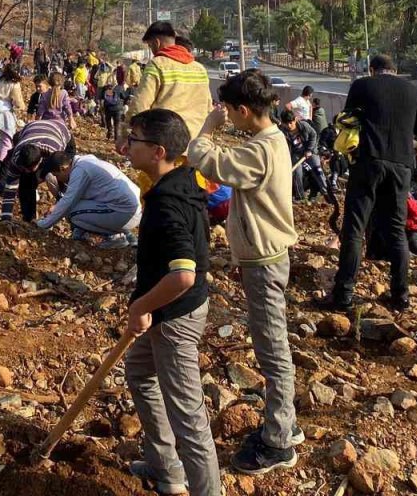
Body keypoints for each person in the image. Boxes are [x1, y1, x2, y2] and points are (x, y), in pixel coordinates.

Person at [187, 72, 299, 475]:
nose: (228, 118)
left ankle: (278, 442)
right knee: (272, 343)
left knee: (272, 349)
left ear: (243, 110)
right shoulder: (270, 140)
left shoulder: (259, 151)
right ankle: (285, 422)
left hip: (264, 260)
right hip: (267, 255)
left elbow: (208, 160)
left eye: (231, 112)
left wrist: (207, 130)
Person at [122, 110, 221, 496]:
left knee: (188, 417)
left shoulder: (167, 203)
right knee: (140, 371)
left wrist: (140, 307)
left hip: (176, 316)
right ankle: (166, 467)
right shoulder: (182, 180)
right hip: (166, 309)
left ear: (157, 150)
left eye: (134, 140)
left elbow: (183, 275)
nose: (128, 145)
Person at [326, 54, 417, 312]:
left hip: (368, 161)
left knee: (354, 229)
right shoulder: (412, 90)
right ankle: (400, 296)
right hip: (401, 165)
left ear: (372, 70)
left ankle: (344, 295)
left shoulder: (362, 85)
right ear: (394, 70)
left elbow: (346, 119)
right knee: (396, 230)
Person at [118, 22, 213, 186]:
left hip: (163, 148)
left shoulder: (157, 65)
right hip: (194, 148)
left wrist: (126, 135)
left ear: (156, 42)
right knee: (189, 195)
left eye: (149, 45)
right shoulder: (200, 69)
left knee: (156, 195)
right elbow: (208, 108)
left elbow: (140, 106)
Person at [37, 152, 141, 247]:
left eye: (57, 175)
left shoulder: (80, 170)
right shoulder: (85, 161)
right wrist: (56, 207)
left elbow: (68, 203)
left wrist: (43, 224)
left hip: (126, 211)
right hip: (131, 208)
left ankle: (116, 237)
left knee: (72, 213)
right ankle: (121, 232)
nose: (58, 179)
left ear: (63, 168)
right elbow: (77, 196)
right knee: (76, 207)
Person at [0, 118, 76, 221]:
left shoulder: (54, 154)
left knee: (63, 179)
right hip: (32, 130)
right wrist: (6, 218)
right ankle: (29, 219)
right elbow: (10, 188)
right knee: (26, 181)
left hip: (62, 134)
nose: (26, 171)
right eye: (24, 168)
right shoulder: (17, 157)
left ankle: (72, 216)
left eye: (30, 168)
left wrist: (58, 206)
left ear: (40, 160)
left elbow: (66, 179)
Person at [278, 109, 323, 202]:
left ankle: (324, 190)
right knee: (296, 172)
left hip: (309, 151)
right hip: (296, 153)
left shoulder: (304, 125)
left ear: (295, 119)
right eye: (286, 124)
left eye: (291, 123)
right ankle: (300, 196)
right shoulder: (281, 131)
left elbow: (313, 135)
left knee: (317, 168)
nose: (289, 126)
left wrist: (309, 150)